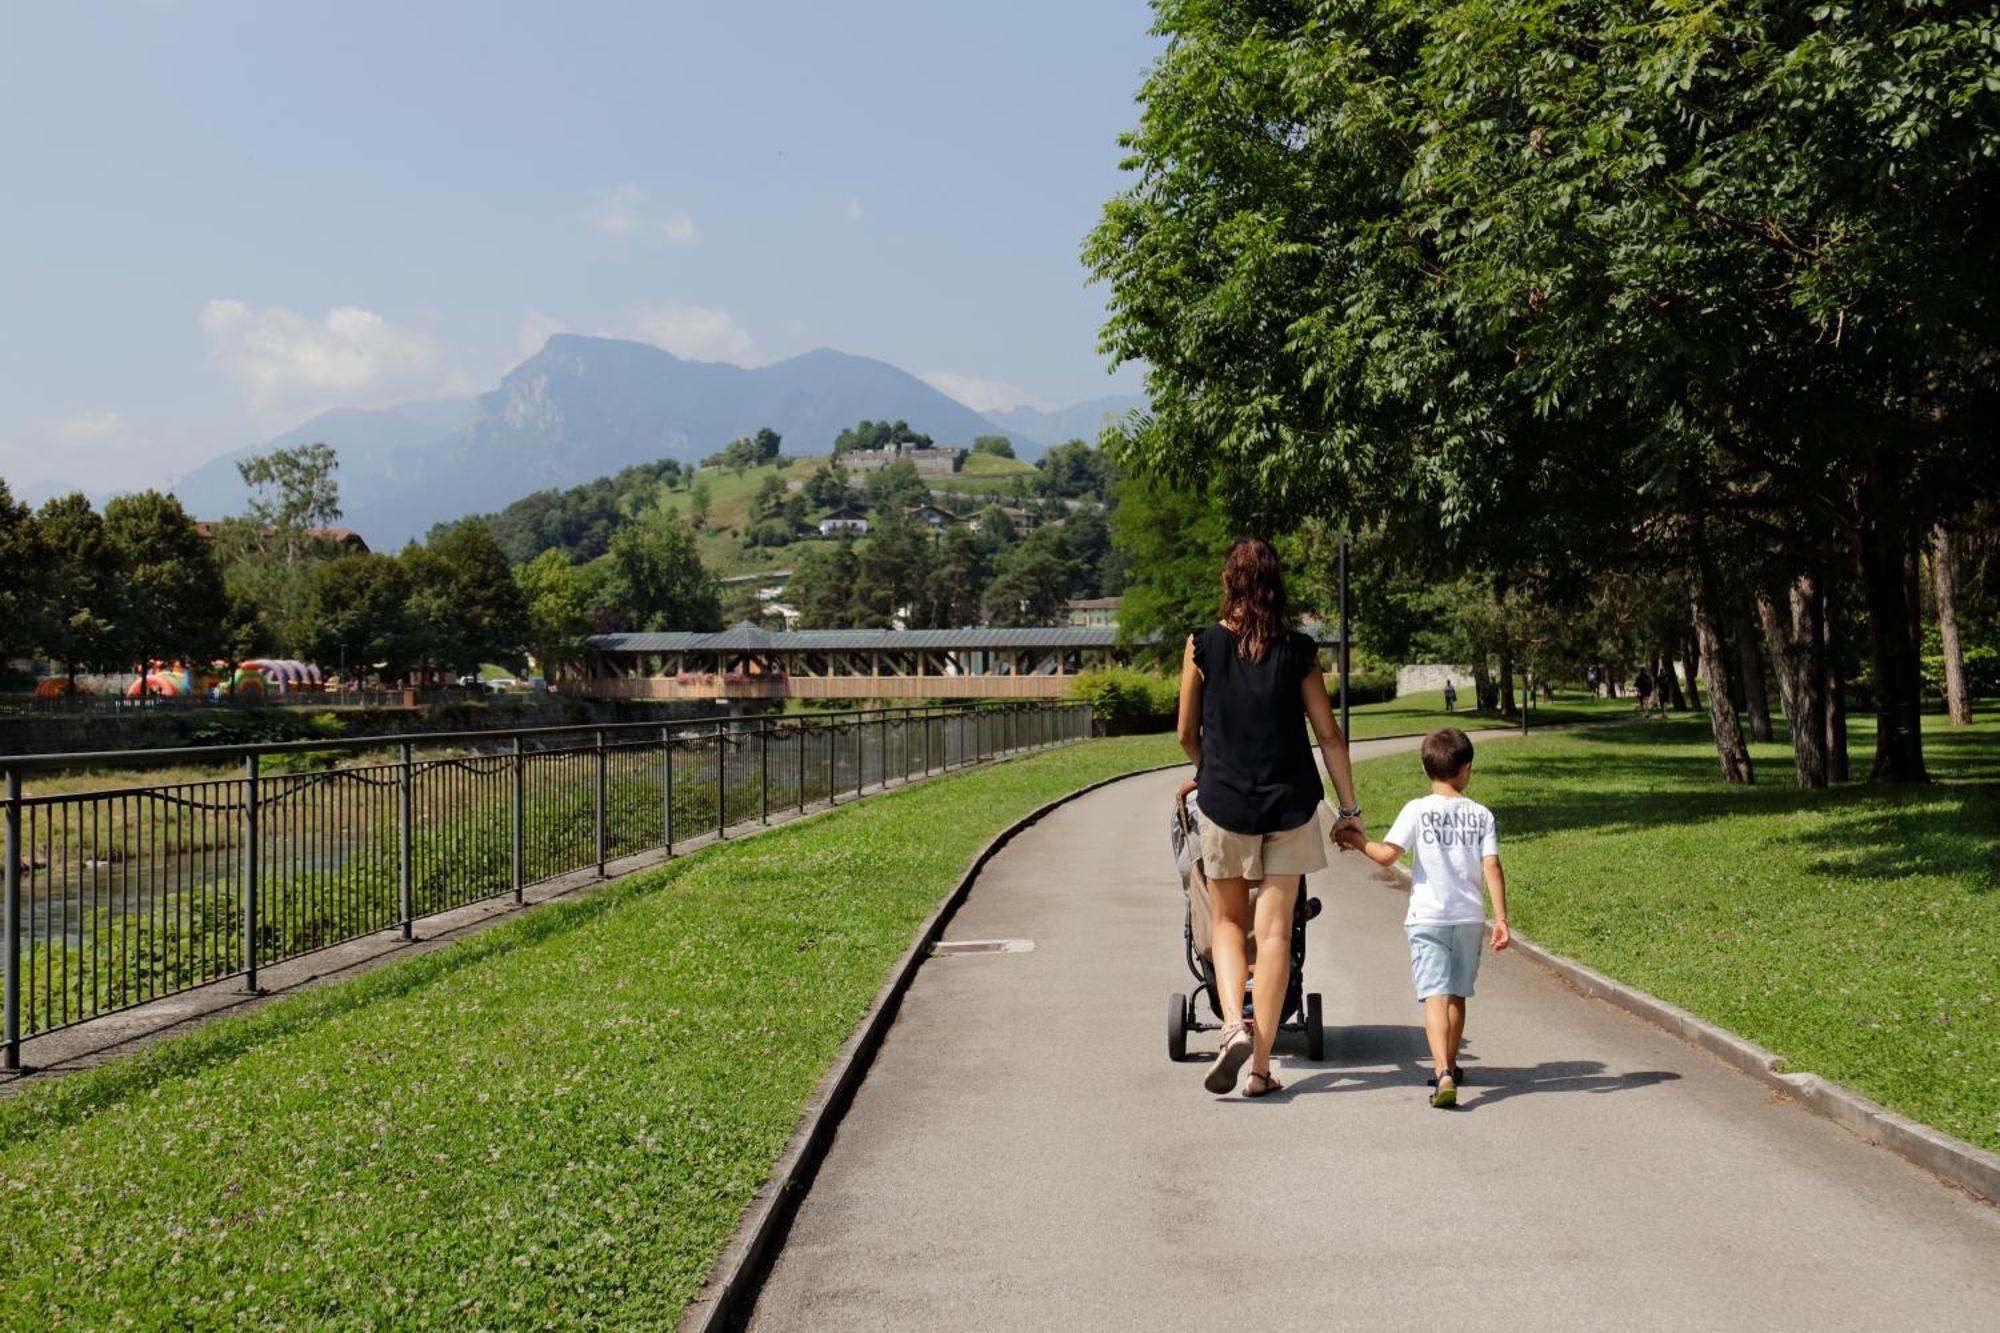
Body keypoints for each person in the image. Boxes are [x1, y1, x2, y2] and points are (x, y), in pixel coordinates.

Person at [1178, 536, 1363, 1098]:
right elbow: (1328, 736)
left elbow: (1186, 733)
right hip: (1290, 802)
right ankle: (1259, 1067)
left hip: (1225, 803)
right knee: (1277, 930)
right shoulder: (1298, 651)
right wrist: (1349, 808)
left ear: (1229, 583)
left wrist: (1209, 769)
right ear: (1275, 585)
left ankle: (1232, 1023)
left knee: (1230, 924)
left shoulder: (1202, 646)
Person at [1335, 727, 1509, 1109]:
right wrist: (1501, 918)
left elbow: (1386, 855)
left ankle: (1442, 1071)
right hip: (1467, 917)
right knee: (1457, 995)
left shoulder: (1417, 809)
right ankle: (1453, 1063)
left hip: (1427, 917)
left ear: (1424, 767)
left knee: (1435, 994)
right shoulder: (1481, 815)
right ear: (1466, 769)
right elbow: (1492, 866)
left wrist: (1355, 839)